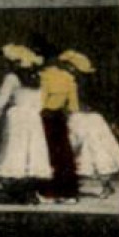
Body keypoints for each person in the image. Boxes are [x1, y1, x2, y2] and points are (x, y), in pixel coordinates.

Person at [0, 44, 50, 203]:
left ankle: (16, 190)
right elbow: (42, 101)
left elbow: (1, 100)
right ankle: (30, 191)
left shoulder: (12, 78)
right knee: (32, 152)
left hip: (17, 116)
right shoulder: (41, 77)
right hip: (34, 117)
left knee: (15, 150)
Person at [59, 51, 119, 198]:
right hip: (80, 118)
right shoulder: (71, 83)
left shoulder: (79, 84)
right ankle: (72, 185)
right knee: (79, 151)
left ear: (73, 68)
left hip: (87, 120)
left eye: (67, 67)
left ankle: (103, 185)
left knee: (94, 152)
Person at [37, 44, 81, 203]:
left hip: (44, 116)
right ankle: (69, 192)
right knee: (64, 154)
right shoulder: (67, 77)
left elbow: (39, 100)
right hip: (60, 117)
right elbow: (73, 104)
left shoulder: (42, 76)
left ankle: (49, 191)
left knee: (46, 154)